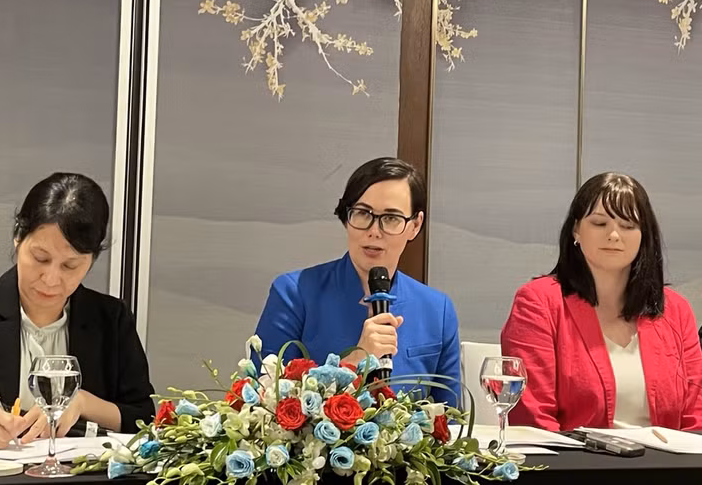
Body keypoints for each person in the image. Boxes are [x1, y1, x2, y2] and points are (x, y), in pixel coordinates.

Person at [0, 173, 155, 448]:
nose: (51, 279)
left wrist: (82, 402)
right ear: (18, 238)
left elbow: (144, 417)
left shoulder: (111, 319)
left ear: (92, 261)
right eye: (40, 258)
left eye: (70, 266)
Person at [502, 172, 702, 431]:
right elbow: (532, 418)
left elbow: (695, 418)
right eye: (599, 224)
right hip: (576, 468)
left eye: (628, 226)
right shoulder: (538, 302)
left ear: (644, 236)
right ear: (576, 229)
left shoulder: (675, 310)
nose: (614, 235)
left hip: (665, 467)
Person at [254, 157, 461, 406]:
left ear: (415, 226)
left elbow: (450, 421)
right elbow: (263, 403)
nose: (374, 231)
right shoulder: (294, 293)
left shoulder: (437, 310)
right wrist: (355, 361)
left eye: (391, 218)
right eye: (363, 214)